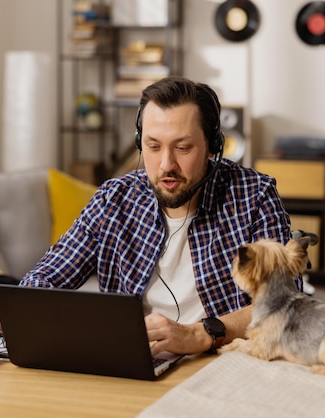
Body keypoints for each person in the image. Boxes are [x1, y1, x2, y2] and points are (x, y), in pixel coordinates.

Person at [20, 76, 298, 356]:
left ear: (213, 146)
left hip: (224, 361)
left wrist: (200, 333)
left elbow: (284, 303)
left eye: (182, 147)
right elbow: (41, 282)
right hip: (135, 362)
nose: (166, 165)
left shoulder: (254, 195)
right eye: (153, 147)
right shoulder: (113, 199)